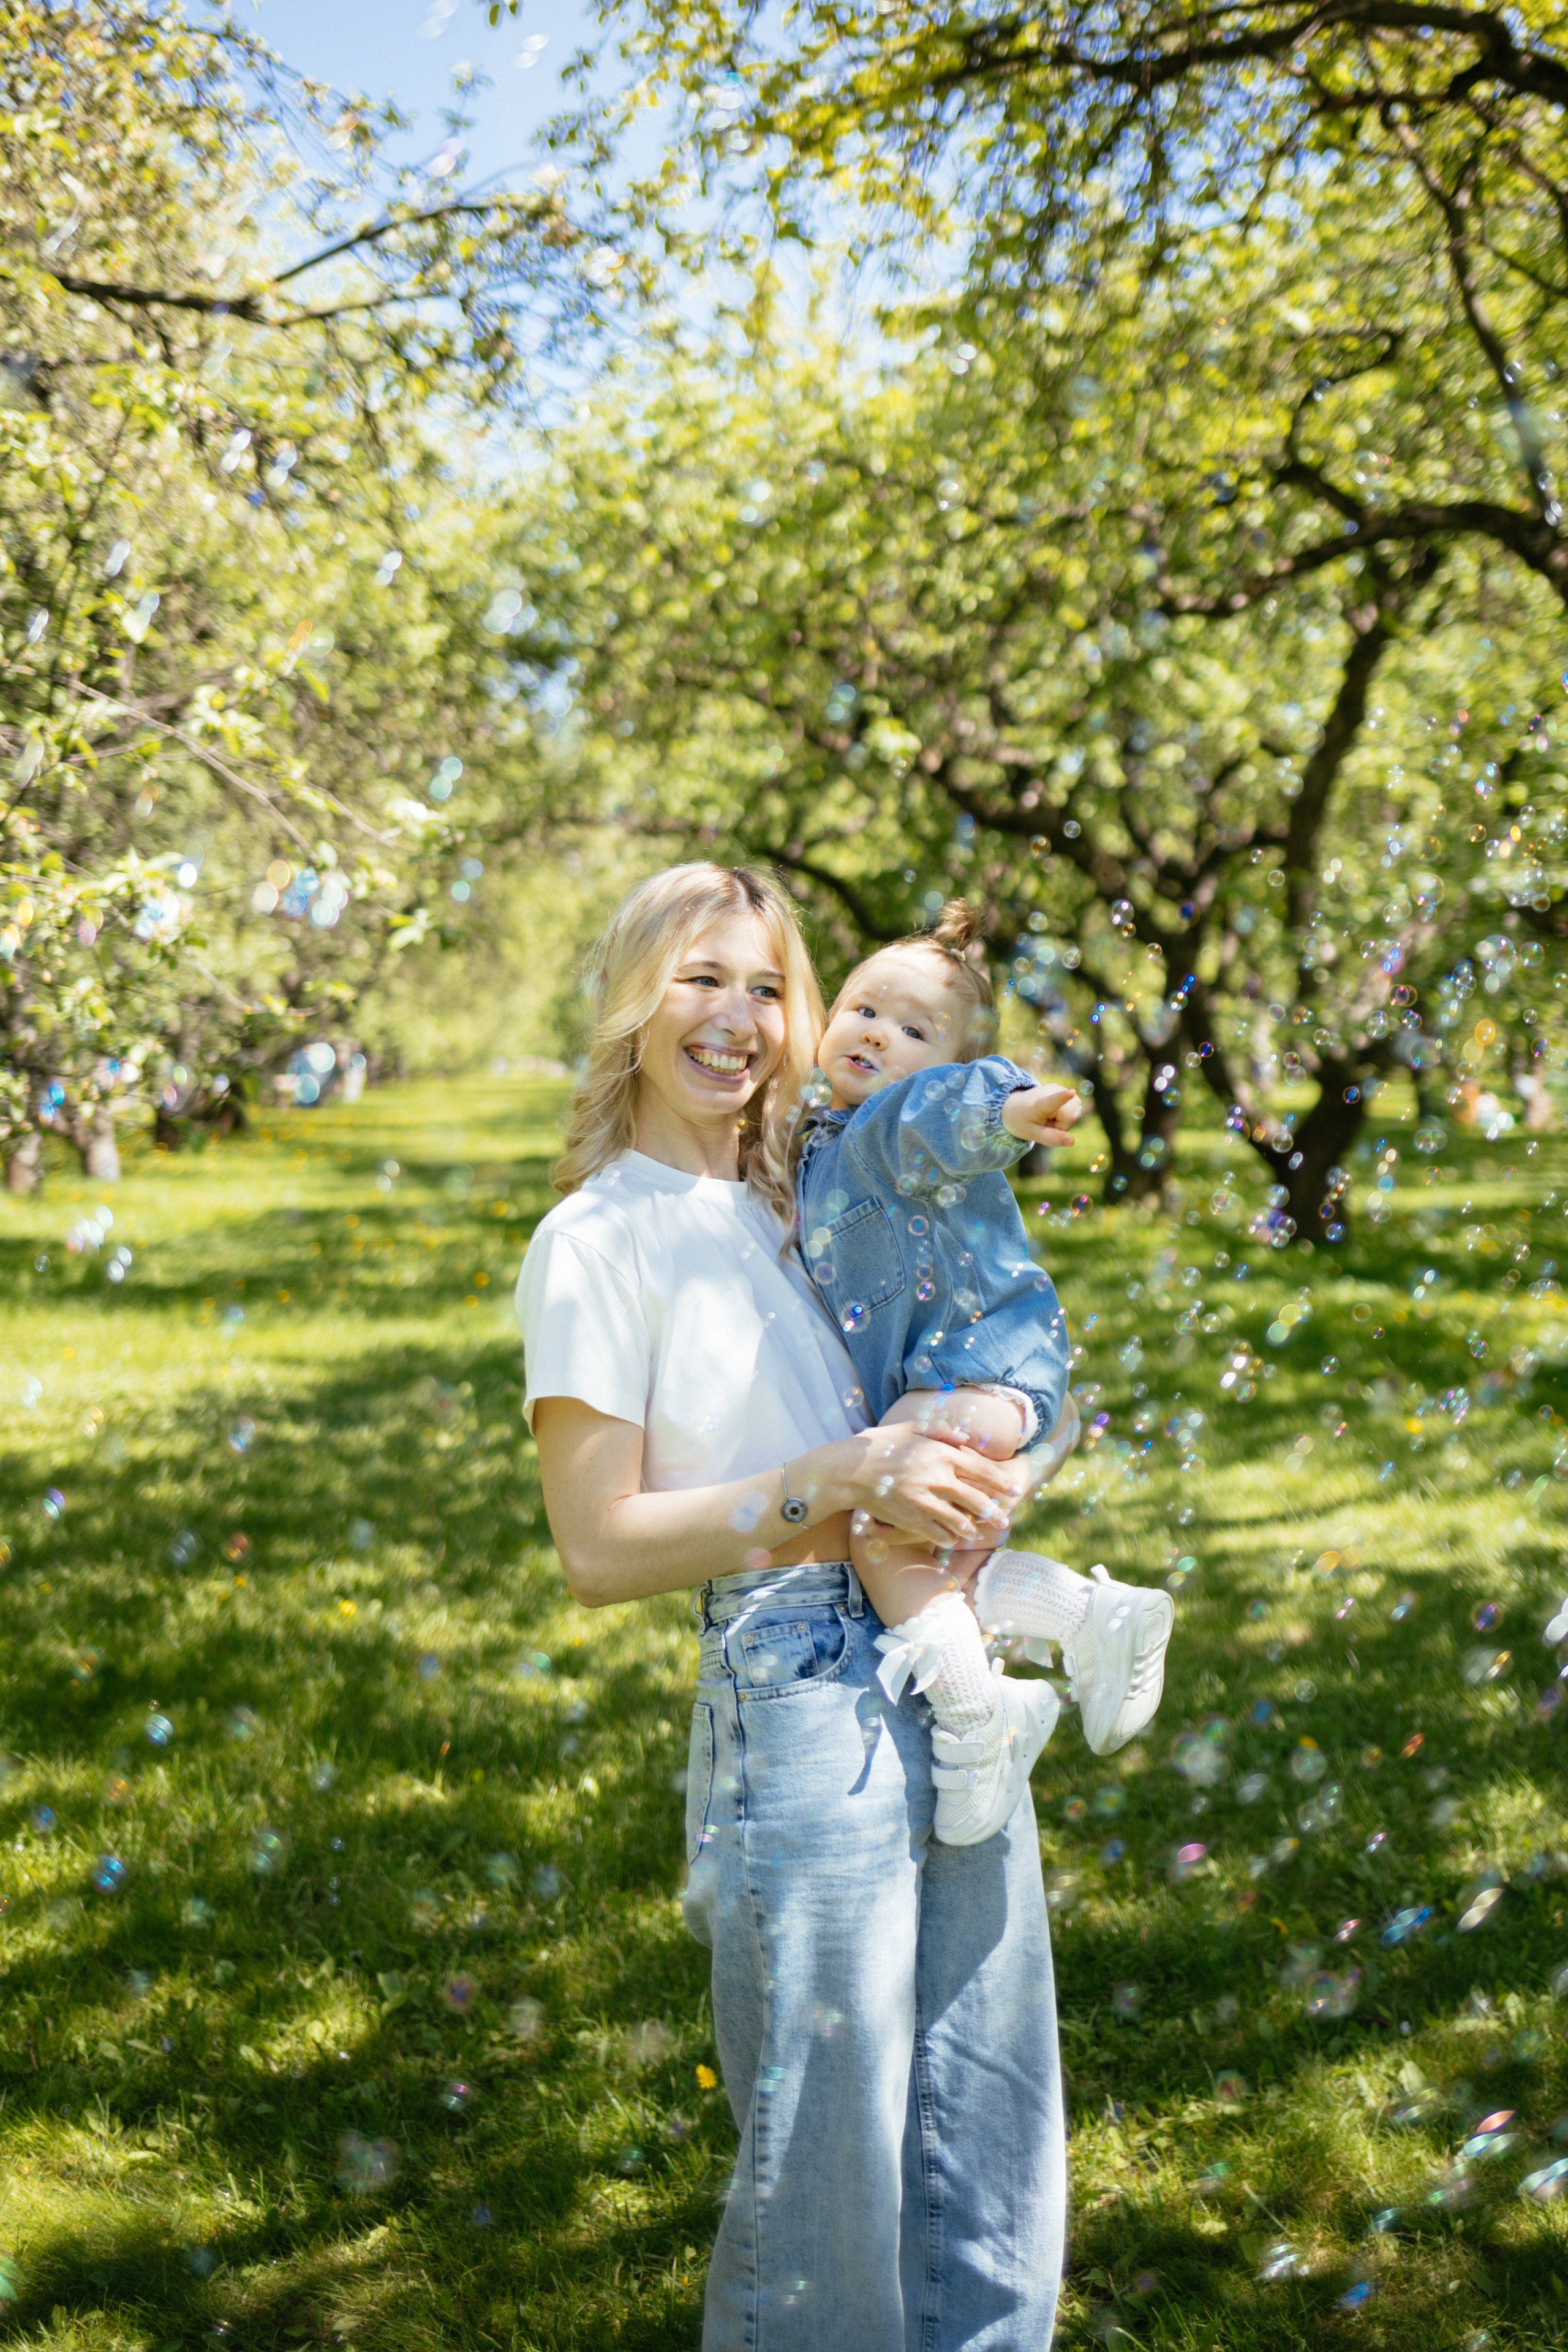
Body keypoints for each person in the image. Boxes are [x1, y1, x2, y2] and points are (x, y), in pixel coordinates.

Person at [516, 864, 1068, 2351]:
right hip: (798, 1685)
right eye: (700, 978)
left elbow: (979, 1330)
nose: (736, 1017)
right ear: (635, 998)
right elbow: (596, 1548)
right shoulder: (598, 1240)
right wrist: (825, 1480)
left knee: (984, 2116)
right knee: (830, 2166)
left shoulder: (817, 1186)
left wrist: (997, 1449)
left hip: (937, 1646)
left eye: (767, 986)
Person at [792, 902, 1175, 1843]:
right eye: (861, 1010)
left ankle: (979, 1723)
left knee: (878, 1525)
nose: (876, 1034)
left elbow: (947, 1114)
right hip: (975, 1375)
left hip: (982, 1369)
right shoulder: (822, 1137)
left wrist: (1008, 1111)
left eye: (914, 1030)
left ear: (949, 1064)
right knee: (935, 1560)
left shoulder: (889, 1125)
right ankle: (1090, 1616)